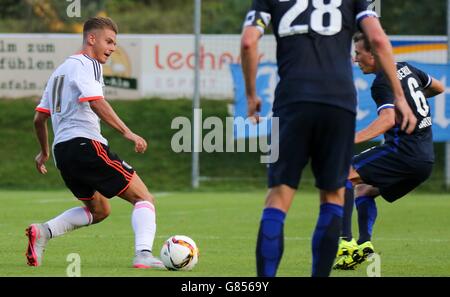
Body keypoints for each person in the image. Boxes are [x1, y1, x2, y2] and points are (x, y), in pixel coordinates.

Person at [240, 0, 417, 277]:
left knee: (278, 198)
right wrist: (398, 97)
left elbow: (249, 43)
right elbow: (378, 39)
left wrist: (251, 95)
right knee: (333, 197)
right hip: (339, 102)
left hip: (292, 101)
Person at [27, 16, 165, 269]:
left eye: (115, 44)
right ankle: (143, 254)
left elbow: (39, 119)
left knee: (100, 210)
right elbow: (96, 101)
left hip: (63, 154)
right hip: (85, 145)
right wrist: (128, 133)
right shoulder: (88, 64)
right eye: (109, 41)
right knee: (144, 199)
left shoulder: (59, 72)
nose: (113, 48)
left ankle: (43, 231)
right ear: (92, 39)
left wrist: (44, 152)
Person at [333, 31, 445, 270]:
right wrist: (411, 102)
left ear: (373, 54)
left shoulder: (382, 81)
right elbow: (439, 87)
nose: (355, 59)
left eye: (358, 54)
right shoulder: (406, 68)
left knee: (340, 174)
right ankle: (363, 245)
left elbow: (387, 120)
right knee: (363, 190)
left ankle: (345, 242)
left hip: (403, 153)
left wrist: (349, 139)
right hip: (424, 162)